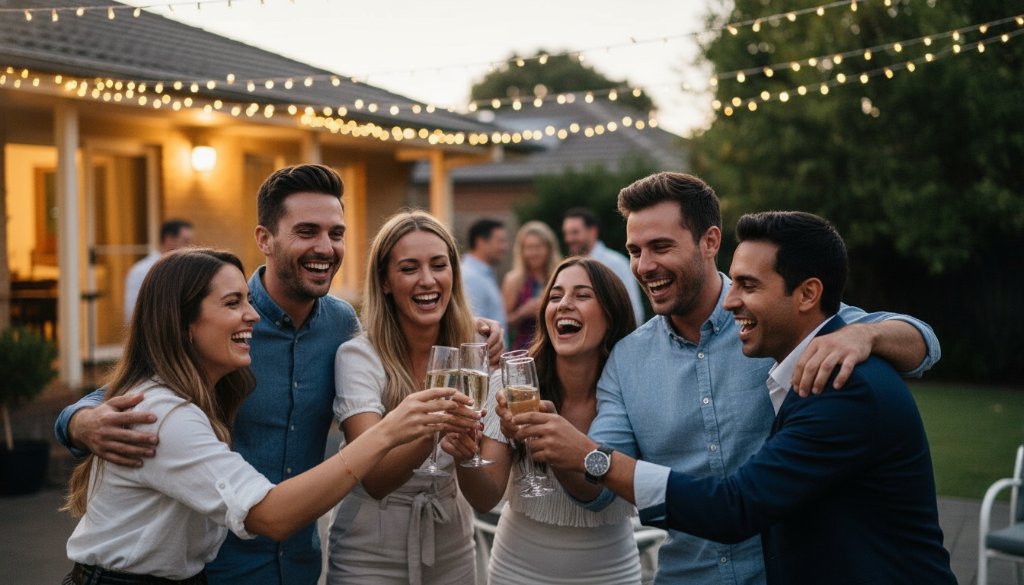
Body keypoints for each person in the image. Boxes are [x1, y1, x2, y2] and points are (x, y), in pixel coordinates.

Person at [55, 165, 505, 585]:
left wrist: (474, 328)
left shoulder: (341, 325)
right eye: (307, 232)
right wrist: (78, 421)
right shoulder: (224, 324)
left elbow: (406, 330)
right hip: (217, 565)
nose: (325, 248)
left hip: (299, 562)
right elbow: (143, 384)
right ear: (264, 238)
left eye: (336, 233)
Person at [508, 172, 942, 584]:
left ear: (709, 241)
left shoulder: (772, 317)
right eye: (635, 251)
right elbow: (598, 489)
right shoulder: (627, 359)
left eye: (660, 246)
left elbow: (923, 343)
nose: (644, 266)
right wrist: (563, 449)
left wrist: (866, 334)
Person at [444, 257, 641, 584]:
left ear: (612, 313)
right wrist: (466, 458)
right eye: (554, 296)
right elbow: (484, 497)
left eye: (582, 295)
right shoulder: (510, 385)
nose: (564, 304)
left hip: (611, 573)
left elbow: (596, 490)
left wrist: (541, 436)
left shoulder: (631, 393)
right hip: (517, 571)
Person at [326, 210, 483, 585]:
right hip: (369, 547)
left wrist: (473, 452)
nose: (427, 280)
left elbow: (484, 494)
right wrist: (436, 426)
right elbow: (375, 479)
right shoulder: (359, 356)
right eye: (409, 268)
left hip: (453, 538)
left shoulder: (473, 354)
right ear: (384, 281)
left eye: (439, 265)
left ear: (453, 275)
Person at [562, 207, 644, 324]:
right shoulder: (568, 267)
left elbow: (634, 311)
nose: (569, 239)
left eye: (574, 232)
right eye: (566, 233)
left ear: (592, 232)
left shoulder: (616, 263)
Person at [501, 221, 562, 350]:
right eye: (528, 248)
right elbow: (503, 322)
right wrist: (523, 312)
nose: (533, 253)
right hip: (524, 350)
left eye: (538, 247)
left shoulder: (559, 276)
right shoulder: (514, 280)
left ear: (549, 249)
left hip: (556, 347)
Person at [123, 219, 193, 322]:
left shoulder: (187, 269)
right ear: (169, 239)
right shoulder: (141, 270)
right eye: (185, 241)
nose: (189, 246)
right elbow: (132, 311)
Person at [462, 218, 509, 333]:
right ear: (481, 242)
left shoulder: (484, 274)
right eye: (500, 241)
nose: (505, 247)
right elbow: (476, 328)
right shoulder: (471, 277)